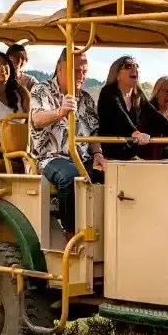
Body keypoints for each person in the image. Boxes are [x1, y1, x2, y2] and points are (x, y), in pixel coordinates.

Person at [28, 49, 106, 235]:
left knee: (109, 176)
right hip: (49, 157)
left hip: (81, 156)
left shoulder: (85, 98)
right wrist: (59, 112)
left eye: (84, 72)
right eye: (76, 71)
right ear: (60, 68)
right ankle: (70, 233)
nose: (81, 76)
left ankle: (102, 230)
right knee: (70, 176)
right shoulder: (42, 90)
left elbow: (93, 132)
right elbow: (37, 119)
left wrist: (97, 153)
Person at [96, 55, 168, 161]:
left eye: (136, 66)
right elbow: (118, 115)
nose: (134, 69)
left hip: (129, 156)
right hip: (110, 157)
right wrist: (136, 133)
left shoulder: (137, 95)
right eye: (128, 66)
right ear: (118, 74)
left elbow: (155, 116)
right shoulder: (108, 92)